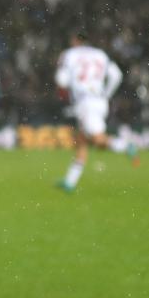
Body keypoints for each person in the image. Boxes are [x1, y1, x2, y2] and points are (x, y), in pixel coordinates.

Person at [55, 30, 132, 192]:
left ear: (75, 40)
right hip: (99, 100)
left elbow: (61, 80)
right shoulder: (101, 54)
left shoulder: (69, 55)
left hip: (85, 101)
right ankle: (70, 181)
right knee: (81, 140)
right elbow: (116, 75)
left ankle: (125, 146)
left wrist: (66, 84)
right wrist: (106, 94)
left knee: (98, 140)